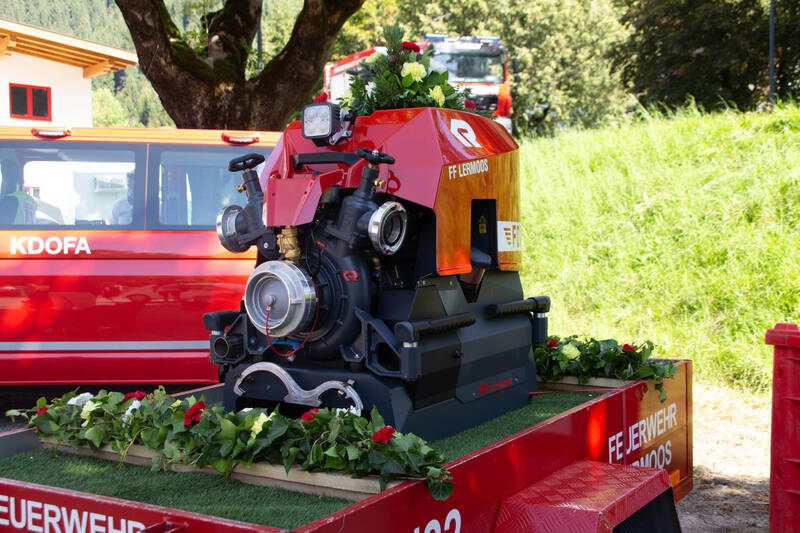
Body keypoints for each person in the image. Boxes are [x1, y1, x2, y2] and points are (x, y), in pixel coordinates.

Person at [0, 159, 36, 225]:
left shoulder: (10, 201)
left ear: (5, 180)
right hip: (27, 232)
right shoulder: (29, 199)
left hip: (13, 232)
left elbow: (3, 225)